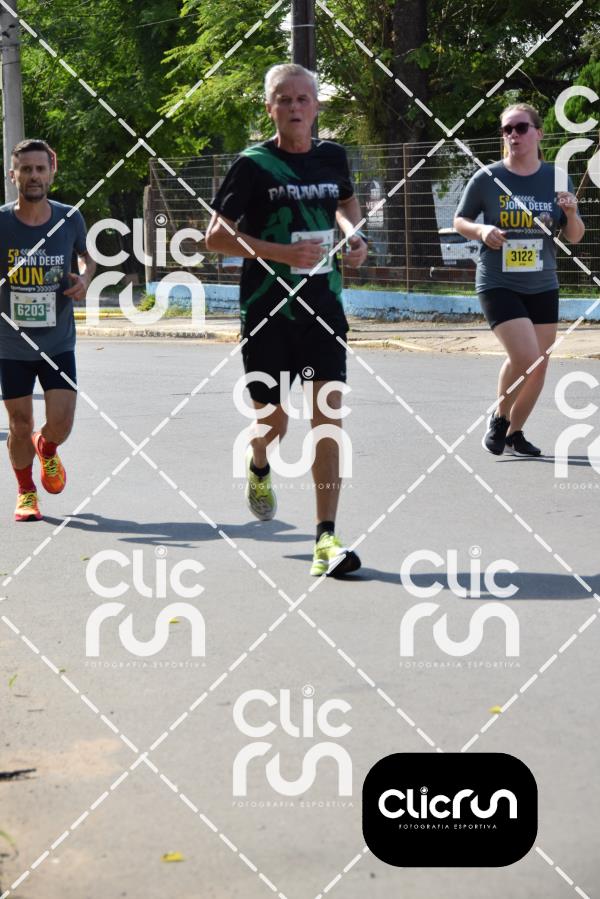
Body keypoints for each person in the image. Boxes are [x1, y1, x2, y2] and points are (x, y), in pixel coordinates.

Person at [206, 63, 368, 577]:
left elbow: (345, 204)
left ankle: (326, 537)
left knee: (328, 420)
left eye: (303, 99)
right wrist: (282, 253)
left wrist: (354, 235)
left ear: (316, 106)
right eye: (284, 99)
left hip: (323, 307)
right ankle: (259, 462)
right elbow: (216, 237)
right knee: (274, 422)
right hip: (267, 311)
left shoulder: (332, 156)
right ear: (270, 107)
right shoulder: (253, 165)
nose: (295, 107)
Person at [454, 103, 584, 456]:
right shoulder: (488, 177)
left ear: (538, 133)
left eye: (521, 127)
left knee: (539, 365)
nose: (513, 134)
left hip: (543, 283)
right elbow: (460, 220)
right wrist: (482, 231)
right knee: (526, 356)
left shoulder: (556, 178)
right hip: (499, 282)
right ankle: (499, 418)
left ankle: (514, 433)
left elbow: (574, 236)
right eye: (507, 129)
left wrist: (571, 213)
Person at [0, 139, 95, 521]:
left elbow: (88, 258)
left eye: (40, 169)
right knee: (19, 424)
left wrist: (85, 279)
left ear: (51, 172)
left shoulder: (70, 218)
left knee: (61, 423)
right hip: (11, 344)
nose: (34, 176)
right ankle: (26, 492)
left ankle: (48, 447)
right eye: (26, 169)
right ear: (13, 175)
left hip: (57, 343)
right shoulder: (1, 222)